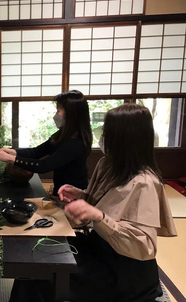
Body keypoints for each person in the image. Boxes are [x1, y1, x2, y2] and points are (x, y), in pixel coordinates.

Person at [58, 103, 177, 302]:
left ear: (124, 138)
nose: (102, 135)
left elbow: (142, 246)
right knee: (42, 256)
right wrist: (82, 196)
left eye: (107, 131)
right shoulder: (108, 164)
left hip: (123, 272)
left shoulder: (145, 182)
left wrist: (98, 216)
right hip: (98, 247)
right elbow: (106, 204)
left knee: (44, 275)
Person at [0, 90, 92, 198]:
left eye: (58, 110)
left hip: (72, 197)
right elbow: (36, 152)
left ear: (71, 114)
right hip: (60, 191)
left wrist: (10, 158)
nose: (56, 115)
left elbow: (43, 166)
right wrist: (12, 151)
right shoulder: (62, 134)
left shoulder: (75, 143)